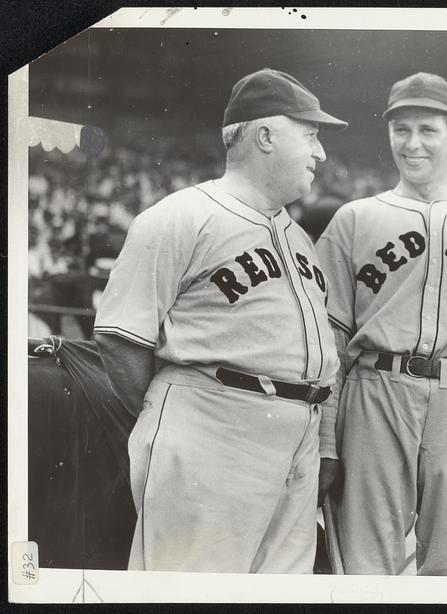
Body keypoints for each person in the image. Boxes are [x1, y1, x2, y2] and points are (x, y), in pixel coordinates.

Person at [93, 68, 347, 573]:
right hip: (212, 429)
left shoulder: (297, 236)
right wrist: (182, 409)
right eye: (311, 135)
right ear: (266, 135)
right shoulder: (179, 216)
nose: (320, 153)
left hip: (296, 437)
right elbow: (120, 340)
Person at [315, 72, 447, 576]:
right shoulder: (354, 219)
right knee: (366, 562)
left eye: (428, 130)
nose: (413, 144)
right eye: (402, 129)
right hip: (376, 389)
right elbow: (330, 342)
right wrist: (326, 441)